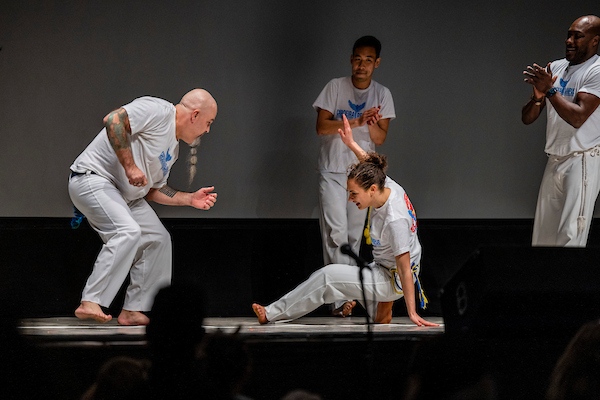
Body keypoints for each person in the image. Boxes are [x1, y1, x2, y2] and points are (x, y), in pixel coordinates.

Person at [252, 115, 437, 327]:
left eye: (354, 194)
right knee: (368, 299)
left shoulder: (395, 219)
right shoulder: (385, 185)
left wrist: (412, 313)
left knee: (328, 277)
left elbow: (405, 269)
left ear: (372, 190)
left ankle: (270, 313)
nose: (350, 199)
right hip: (383, 267)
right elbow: (370, 164)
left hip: (392, 278)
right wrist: (350, 143)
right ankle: (379, 311)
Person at [68, 88, 218, 325]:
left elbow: (152, 190)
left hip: (126, 196)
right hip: (94, 179)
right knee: (128, 231)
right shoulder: (158, 111)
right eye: (208, 122)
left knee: (158, 239)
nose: (207, 130)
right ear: (195, 115)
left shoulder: (173, 149)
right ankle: (91, 300)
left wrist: (189, 199)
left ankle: (134, 309)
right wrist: (130, 167)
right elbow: (113, 120)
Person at [313, 35, 395, 316]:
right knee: (335, 234)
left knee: (353, 237)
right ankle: (340, 300)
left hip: (361, 174)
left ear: (377, 63)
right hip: (333, 169)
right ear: (351, 59)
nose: (362, 65)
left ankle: (345, 297)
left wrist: (369, 123)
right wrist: (357, 120)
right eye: (358, 59)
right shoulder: (335, 87)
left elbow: (380, 138)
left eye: (368, 60)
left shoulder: (382, 94)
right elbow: (321, 127)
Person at [522, 15, 600, 247]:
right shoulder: (555, 68)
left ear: (595, 41)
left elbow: (578, 118)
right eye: (568, 35)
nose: (569, 41)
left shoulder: (596, 70)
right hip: (555, 159)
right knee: (543, 239)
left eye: (578, 36)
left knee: (570, 237)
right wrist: (538, 97)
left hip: (582, 159)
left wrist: (550, 91)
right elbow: (527, 118)